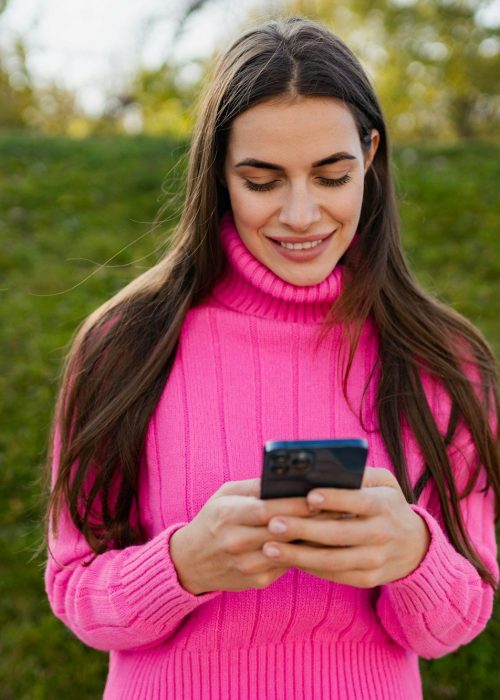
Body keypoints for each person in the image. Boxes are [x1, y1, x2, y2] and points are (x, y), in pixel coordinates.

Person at [44, 16, 499, 700]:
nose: (301, 213)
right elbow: (74, 589)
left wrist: (415, 555)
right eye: (261, 181)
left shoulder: (444, 359)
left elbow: (455, 622)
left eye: (331, 175)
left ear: (370, 158)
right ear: (218, 175)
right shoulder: (124, 344)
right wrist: (184, 565)